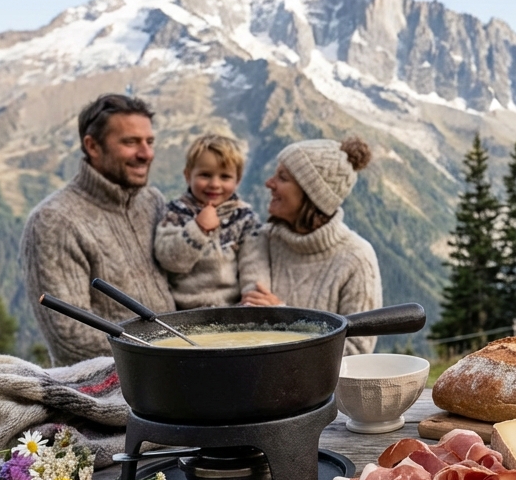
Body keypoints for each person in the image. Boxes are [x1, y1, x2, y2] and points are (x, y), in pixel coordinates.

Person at [20, 94, 175, 365]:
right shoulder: (54, 221)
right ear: (92, 146)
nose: (146, 154)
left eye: (149, 142)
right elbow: (69, 338)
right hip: (105, 390)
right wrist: (172, 347)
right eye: (130, 142)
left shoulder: (153, 202)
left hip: (181, 370)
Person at [239, 137, 382, 354]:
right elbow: (251, 317)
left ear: (311, 195)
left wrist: (284, 318)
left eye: (283, 177)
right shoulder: (261, 240)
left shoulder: (357, 258)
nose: (269, 183)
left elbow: (357, 351)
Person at [154, 134, 262, 309]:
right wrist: (198, 229)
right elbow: (170, 260)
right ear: (188, 176)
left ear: (238, 180)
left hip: (232, 311)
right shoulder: (175, 213)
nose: (214, 184)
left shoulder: (244, 218)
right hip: (185, 312)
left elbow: (254, 264)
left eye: (225, 177)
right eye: (205, 175)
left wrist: (251, 301)